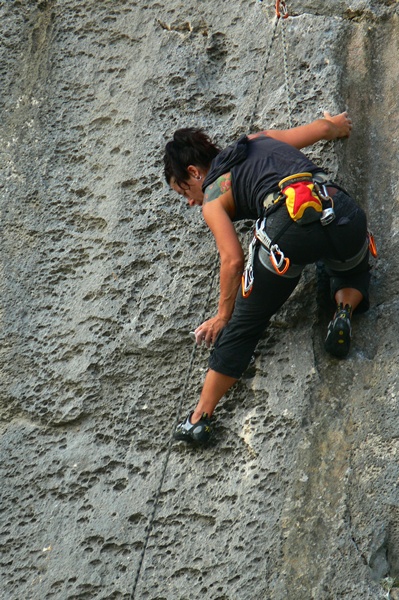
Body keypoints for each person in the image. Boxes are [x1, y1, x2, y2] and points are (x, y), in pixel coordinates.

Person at [163, 112, 371, 444]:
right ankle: (344, 309)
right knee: (352, 265)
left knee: (245, 322)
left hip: (287, 228)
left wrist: (222, 315)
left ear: (194, 172)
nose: (190, 201)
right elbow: (324, 128)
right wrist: (341, 126)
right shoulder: (260, 140)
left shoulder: (213, 198)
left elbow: (232, 261)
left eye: (184, 191)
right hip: (340, 208)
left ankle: (199, 417)